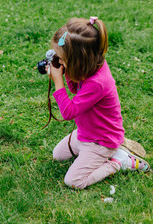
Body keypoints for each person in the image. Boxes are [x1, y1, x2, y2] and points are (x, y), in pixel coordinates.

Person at [49, 17, 150, 189]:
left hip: (101, 141)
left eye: (63, 59)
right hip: (85, 134)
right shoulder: (89, 66)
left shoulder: (98, 82)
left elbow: (69, 112)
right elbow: (75, 89)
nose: (60, 62)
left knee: (73, 181)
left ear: (78, 61)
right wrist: (66, 71)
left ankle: (119, 161)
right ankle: (103, 154)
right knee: (58, 155)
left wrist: (58, 83)